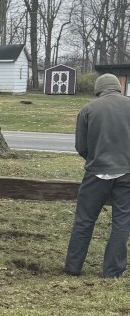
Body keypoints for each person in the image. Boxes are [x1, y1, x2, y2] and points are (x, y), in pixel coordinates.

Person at [65, 73, 130, 278]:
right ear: (117, 87)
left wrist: (93, 159)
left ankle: (73, 267)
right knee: (122, 221)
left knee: (84, 219)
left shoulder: (88, 109)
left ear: (98, 89)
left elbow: (81, 146)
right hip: (127, 172)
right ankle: (113, 271)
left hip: (96, 173)